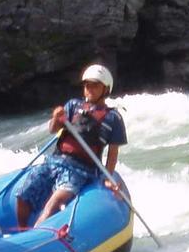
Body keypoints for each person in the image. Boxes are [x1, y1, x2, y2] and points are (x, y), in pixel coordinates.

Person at [15, 63, 128, 227]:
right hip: (54, 161)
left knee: (55, 201)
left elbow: (112, 153)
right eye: (87, 85)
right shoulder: (73, 105)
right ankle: (22, 230)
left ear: (105, 89)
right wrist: (56, 118)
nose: (89, 89)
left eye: (95, 86)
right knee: (22, 194)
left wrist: (108, 177)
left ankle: (33, 235)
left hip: (81, 170)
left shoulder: (113, 118)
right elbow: (53, 130)